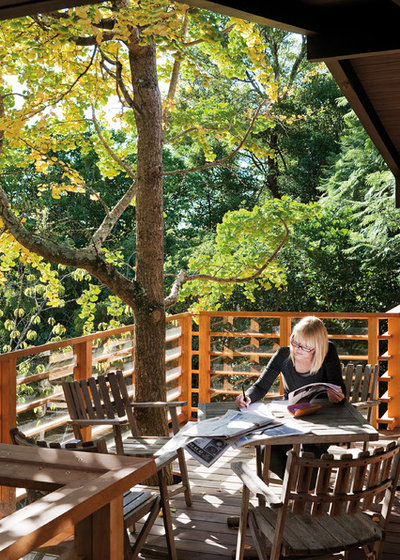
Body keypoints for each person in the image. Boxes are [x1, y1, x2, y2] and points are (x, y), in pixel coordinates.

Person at [236, 315, 346, 481]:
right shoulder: (283, 355)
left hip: (322, 419)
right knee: (267, 452)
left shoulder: (328, 352)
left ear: (317, 346)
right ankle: (297, 486)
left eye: (304, 347)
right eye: (295, 342)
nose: (297, 349)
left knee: (310, 452)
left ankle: (303, 488)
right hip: (292, 418)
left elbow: (339, 390)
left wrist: (336, 396)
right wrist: (246, 397)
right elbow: (260, 386)